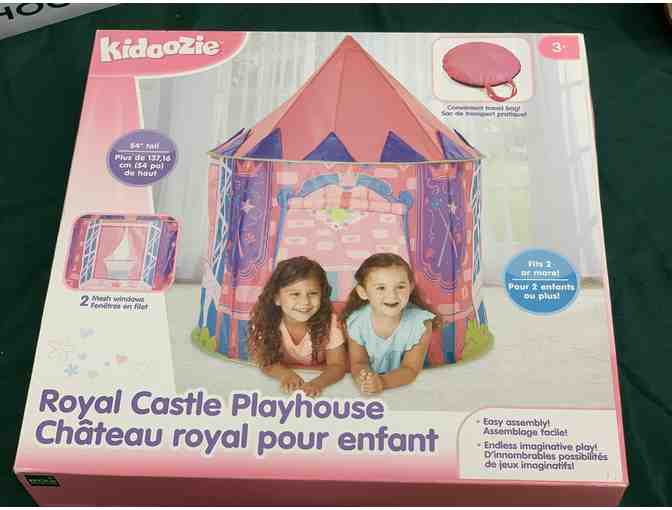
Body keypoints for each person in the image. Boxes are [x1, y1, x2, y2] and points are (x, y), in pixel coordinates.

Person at [341, 253, 441, 395]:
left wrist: (382, 382)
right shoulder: (356, 322)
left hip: (409, 389)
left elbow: (410, 369)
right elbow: (359, 362)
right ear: (363, 292)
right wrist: (365, 379)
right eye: (381, 288)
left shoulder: (421, 324)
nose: (392, 295)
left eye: (400, 287)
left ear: (411, 287)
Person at [248, 256, 347, 397]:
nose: (305, 302)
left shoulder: (330, 324)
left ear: (322, 295)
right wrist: (286, 375)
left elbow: (337, 366)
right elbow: (265, 362)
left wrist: (317, 383)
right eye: (295, 294)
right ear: (277, 298)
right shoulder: (265, 322)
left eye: (313, 293)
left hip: (320, 378)